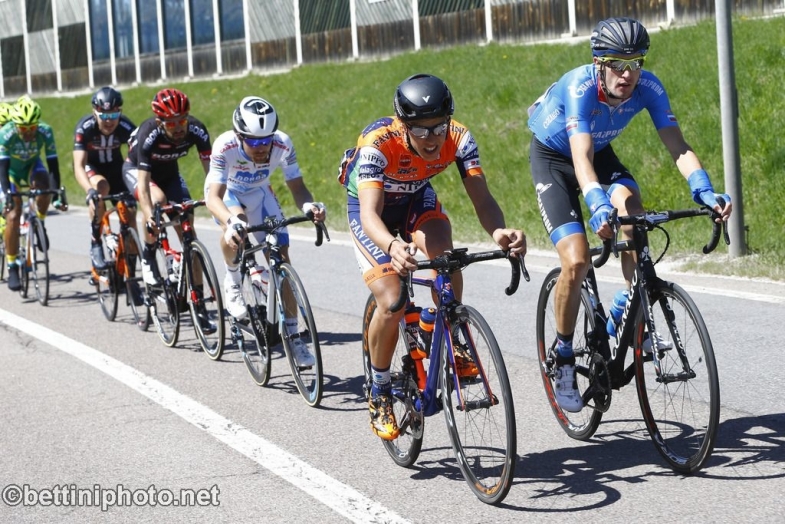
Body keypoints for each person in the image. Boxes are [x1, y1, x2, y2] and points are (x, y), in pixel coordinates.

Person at [526, 17, 732, 413]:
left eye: (635, 63)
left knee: (633, 213)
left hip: (599, 155)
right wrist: (597, 204)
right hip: (556, 158)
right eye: (618, 65)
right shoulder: (580, 87)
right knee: (577, 260)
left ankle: (629, 305)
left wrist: (703, 189)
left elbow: (678, 146)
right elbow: (580, 158)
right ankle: (565, 355)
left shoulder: (649, 86)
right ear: (598, 63)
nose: (628, 74)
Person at [338, 73, 526, 440]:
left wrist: (499, 232)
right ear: (403, 125)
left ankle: (452, 334)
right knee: (392, 301)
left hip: (414, 198)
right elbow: (370, 215)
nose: (432, 138)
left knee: (447, 257)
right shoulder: (378, 144)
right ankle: (378, 391)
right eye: (420, 130)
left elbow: (482, 198)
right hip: (371, 210)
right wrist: (393, 247)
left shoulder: (460, 138)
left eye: (438, 127)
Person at [205, 96, 326, 367]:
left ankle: (294, 336)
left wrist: (309, 204)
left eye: (266, 141)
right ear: (239, 135)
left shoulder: (282, 143)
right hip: (230, 195)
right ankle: (233, 280)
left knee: (282, 256)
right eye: (255, 141)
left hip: (260, 193)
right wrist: (230, 221)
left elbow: (297, 187)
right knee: (237, 227)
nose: (262, 148)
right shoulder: (225, 146)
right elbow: (213, 197)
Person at [122, 87, 214, 331]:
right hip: (138, 172)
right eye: (171, 123)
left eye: (182, 120)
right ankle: (150, 253)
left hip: (170, 174)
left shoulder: (196, 130)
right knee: (158, 200)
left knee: (188, 230)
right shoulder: (148, 134)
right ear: (159, 121)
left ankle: (200, 306)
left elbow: (212, 174)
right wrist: (150, 215)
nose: (178, 127)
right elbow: (143, 185)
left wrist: (215, 201)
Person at [0, 97, 67, 291]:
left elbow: (53, 165)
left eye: (32, 128)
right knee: (13, 214)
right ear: (15, 125)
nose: (29, 133)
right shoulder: (5, 133)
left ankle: (40, 222)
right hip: (10, 172)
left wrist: (56, 195)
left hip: (31, 166)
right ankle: (12, 265)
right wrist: (7, 196)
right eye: (24, 129)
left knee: (44, 187)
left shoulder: (45, 131)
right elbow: (2, 170)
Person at [73, 86, 136, 270]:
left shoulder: (126, 126)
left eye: (113, 116)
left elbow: (139, 156)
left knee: (130, 212)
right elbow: (78, 165)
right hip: (93, 168)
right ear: (95, 112)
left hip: (116, 169)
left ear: (119, 113)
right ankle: (95, 241)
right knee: (101, 188)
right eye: (104, 116)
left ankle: (129, 271)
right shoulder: (85, 128)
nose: (109, 121)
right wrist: (89, 190)